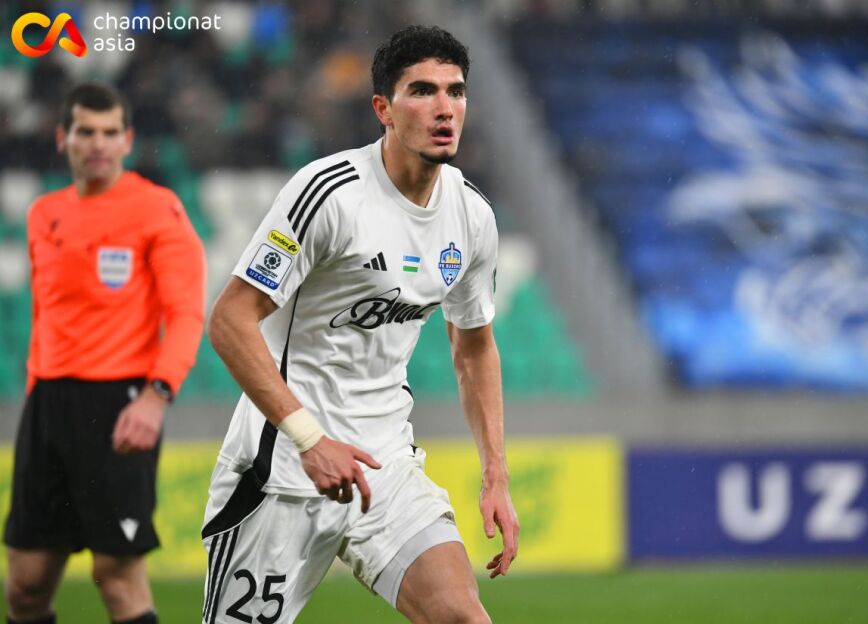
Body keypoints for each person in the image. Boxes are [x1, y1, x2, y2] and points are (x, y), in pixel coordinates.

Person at [201, 25, 518, 624]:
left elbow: (474, 347)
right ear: (383, 110)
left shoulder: (472, 216)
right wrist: (309, 438)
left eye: (455, 91)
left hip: (386, 465)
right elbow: (230, 320)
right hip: (284, 469)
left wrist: (495, 475)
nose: (444, 107)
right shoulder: (329, 194)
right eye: (422, 91)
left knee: (463, 617)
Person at [3, 83, 206, 624]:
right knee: (24, 586)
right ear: (62, 137)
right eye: (86, 131)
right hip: (48, 404)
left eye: (110, 132)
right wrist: (38, 396)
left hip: (119, 405)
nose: (98, 143)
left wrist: (156, 398)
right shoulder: (43, 213)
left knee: (116, 578)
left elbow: (186, 314)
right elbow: (47, 316)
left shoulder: (157, 209)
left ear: (127, 140)